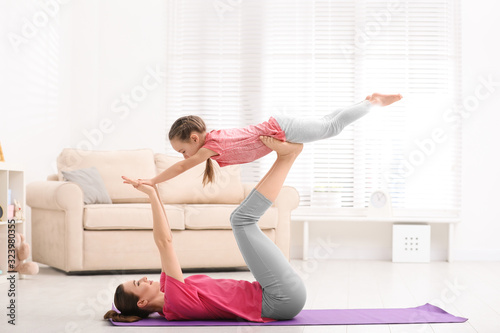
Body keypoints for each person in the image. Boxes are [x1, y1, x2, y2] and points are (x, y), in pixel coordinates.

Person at [104, 136, 306, 323]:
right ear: (142, 303)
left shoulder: (168, 289)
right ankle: (287, 158)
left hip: (273, 293)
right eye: (139, 284)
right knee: (241, 220)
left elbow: (167, 239)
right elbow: (164, 243)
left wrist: (154, 192)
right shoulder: (174, 301)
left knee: (241, 220)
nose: (145, 279)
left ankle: (285, 157)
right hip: (280, 299)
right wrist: (150, 196)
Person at [139, 93, 402, 186]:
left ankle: (373, 102)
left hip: (281, 130)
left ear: (195, 139)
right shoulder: (212, 143)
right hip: (282, 127)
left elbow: (183, 166)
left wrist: (152, 180)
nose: (184, 156)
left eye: (183, 150)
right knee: (327, 123)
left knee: (331, 127)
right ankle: (366, 101)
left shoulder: (211, 146)